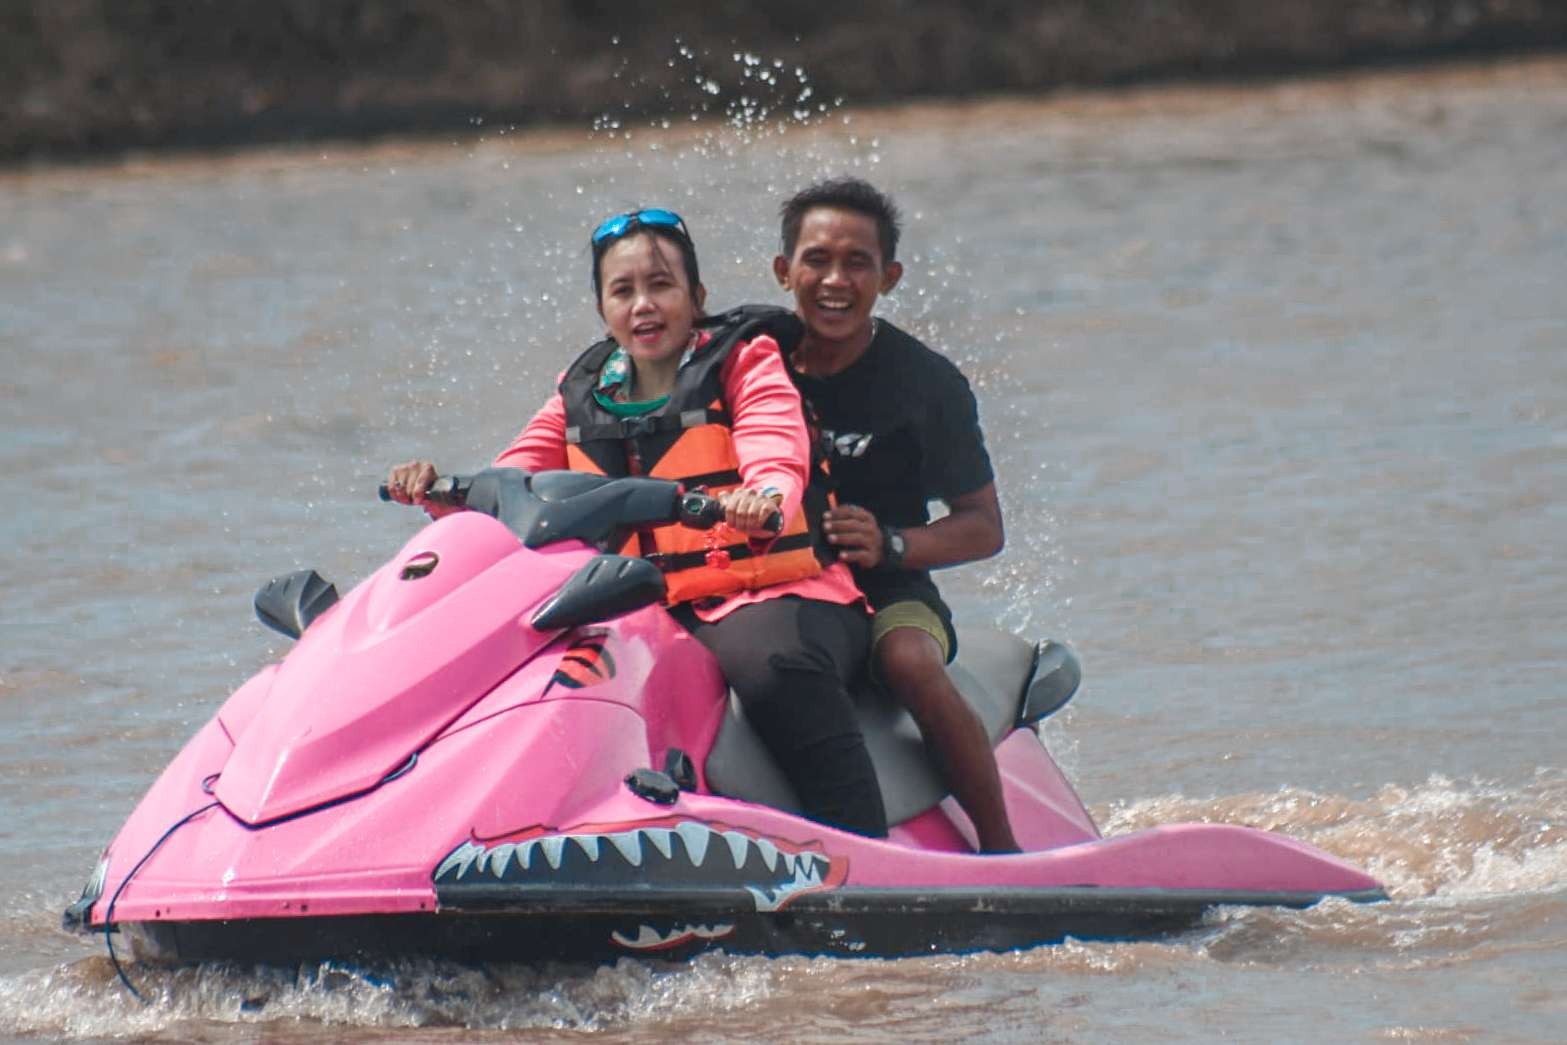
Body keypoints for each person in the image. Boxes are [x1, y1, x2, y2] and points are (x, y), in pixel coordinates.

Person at [386, 208, 887, 839]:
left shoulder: (745, 362)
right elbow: (513, 484)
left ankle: (863, 847)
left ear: (696, 298)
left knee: (772, 667)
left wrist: (763, 496)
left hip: (773, 595)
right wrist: (438, 495)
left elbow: (774, 441)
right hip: (641, 605)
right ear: (602, 309)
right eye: (623, 291)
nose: (643, 305)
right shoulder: (582, 390)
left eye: (661, 286)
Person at [772, 177, 1019, 853]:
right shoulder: (747, 359)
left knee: (909, 658)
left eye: (858, 263)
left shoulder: (925, 383)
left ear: (889, 276)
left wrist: (890, 543)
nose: (834, 280)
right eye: (816, 260)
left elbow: (982, 526)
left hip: (888, 592)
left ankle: (1001, 848)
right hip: (770, 584)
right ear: (783, 270)